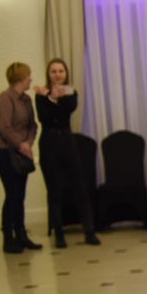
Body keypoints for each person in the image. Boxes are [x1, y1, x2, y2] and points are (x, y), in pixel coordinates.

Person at [34, 58, 98, 249]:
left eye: (60, 71)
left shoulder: (71, 92)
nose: (57, 74)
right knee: (54, 191)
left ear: (66, 73)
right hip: (49, 144)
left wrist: (53, 98)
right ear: (49, 74)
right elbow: (44, 117)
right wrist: (50, 97)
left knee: (80, 188)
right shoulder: (40, 95)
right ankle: (59, 235)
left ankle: (89, 232)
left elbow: (67, 109)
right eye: (53, 71)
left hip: (67, 143)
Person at [0, 61, 41, 255]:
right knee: (12, 193)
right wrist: (21, 144)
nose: (31, 79)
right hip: (4, 151)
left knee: (20, 195)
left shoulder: (26, 100)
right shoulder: (5, 98)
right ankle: (8, 238)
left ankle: (21, 235)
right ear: (20, 78)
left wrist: (28, 143)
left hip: (21, 151)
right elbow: (4, 127)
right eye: (28, 76)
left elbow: (32, 126)